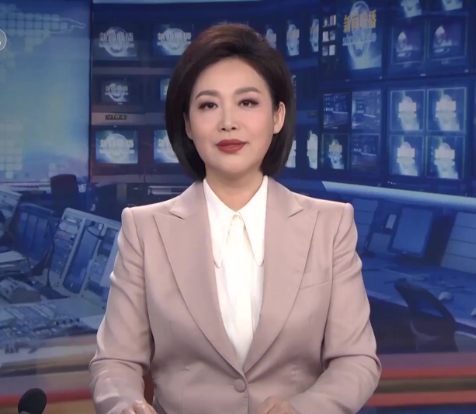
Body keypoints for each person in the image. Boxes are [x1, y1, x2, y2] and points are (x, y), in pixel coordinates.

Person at [89, 23, 381, 414]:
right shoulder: (144, 230)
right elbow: (115, 361)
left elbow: (356, 359)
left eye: (247, 102)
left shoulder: (330, 225)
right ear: (188, 124)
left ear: (277, 116)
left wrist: (305, 409)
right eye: (208, 105)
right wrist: (125, 406)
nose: (228, 121)